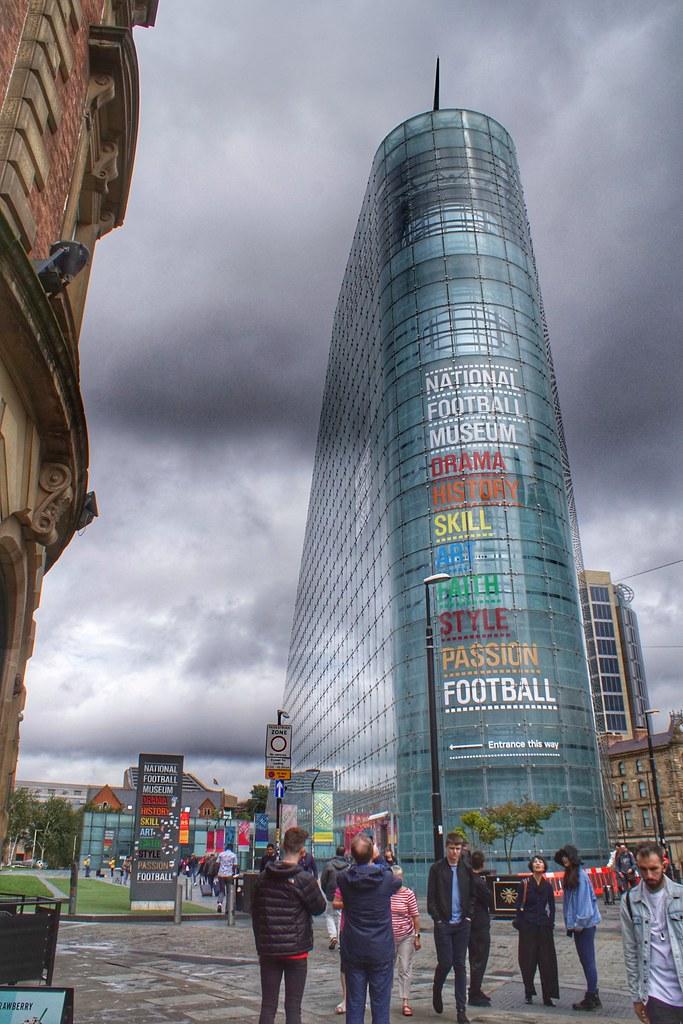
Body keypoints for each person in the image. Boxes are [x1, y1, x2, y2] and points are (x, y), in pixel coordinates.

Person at [251, 826, 325, 1024]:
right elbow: (319, 907)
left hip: (269, 949)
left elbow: (255, 913)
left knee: (268, 1006)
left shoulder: (263, 878)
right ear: (302, 853)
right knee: (293, 1008)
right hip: (296, 949)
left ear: (283, 847)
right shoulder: (304, 879)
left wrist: (261, 943)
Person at [334, 832, 401, 1024]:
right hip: (381, 948)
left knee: (354, 1003)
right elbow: (395, 876)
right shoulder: (386, 878)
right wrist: (377, 856)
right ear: (372, 852)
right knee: (381, 1005)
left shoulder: (344, 879)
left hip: (354, 947)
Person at [621, 841, 683, 1024]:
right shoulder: (630, 902)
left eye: (654, 869)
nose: (648, 875)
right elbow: (630, 951)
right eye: (643, 869)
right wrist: (636, 997)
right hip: (656, 992)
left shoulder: (680, 895)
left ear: (664, 866)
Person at [427, 831, 474, 1024]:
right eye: (451, 848)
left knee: (460, 965)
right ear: (446, 848)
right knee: (445, 962)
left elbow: (472, 895)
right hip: (444, 923)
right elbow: (431, 898)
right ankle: (437, 988)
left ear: (462, 849)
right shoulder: (437, 869)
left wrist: (469, 916)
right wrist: (437, 919)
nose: (455, 852)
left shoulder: (466, 868)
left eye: (458, 848)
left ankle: (461, 1009)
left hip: (462, 923)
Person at [554, 844, 602, 1011]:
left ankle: (592, 996)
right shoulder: (572, 875)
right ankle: (593, 994)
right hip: (578, 925)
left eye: (566, 856)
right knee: (586, 960)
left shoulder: (580, 876)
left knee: (588, 960)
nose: (564, 860)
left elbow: (585, 903)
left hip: (584, 926)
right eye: (562, 857)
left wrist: (579, 923)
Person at [514, 855, 559, 1008]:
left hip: (544, 927)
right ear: (531, 866)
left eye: (540, 862)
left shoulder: (547, 886)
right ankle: (529, 991)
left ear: (544, 865)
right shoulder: (525, 883)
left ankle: (548, 995)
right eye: (535, 862)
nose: (538, 864)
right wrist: (521, 924)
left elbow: (552, 906)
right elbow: (518, 904)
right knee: (528, 961)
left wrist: (551, 922)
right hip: (528, 927)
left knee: (547, 962)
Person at [390, 866, 420, 1017]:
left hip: (406, 936)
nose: (397, 880)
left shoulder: (408, 894)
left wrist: (417, 936)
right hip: (388, 937)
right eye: (394, 877)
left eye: (399, 877)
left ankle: (405, 1001)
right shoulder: (386, 894)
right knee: (386, 968)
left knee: (405, 968)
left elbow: (415, 916)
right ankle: (383, 999)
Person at [468, 850, 494, 1007]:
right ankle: (475, 992)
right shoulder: (478, 881)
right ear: (482, 864)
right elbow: (489, 899)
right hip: (479, 924)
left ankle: (475, 989)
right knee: (480, 958)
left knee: (474, 957)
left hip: (471, 923)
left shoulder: (467, 879)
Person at [320, 846, 349, 949]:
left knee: (329, 915)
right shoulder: (348, 866)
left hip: (331, 894)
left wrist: (326, 891)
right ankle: (341, 941)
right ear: (344, 853)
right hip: (343, 894)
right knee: (341, 916)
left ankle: (333, 936)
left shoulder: (329, 865)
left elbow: (323, 881)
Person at [216, 844, 238, 913]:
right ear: (231, 848)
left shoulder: (221, 854)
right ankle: (228, 909)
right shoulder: (233, 855)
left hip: (221, 874)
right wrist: (233, 872)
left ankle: (219, 903)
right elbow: (235, 865)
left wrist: (218, 872)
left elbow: (217, 863)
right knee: (229, 892)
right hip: (229, 875)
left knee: (221, 890)